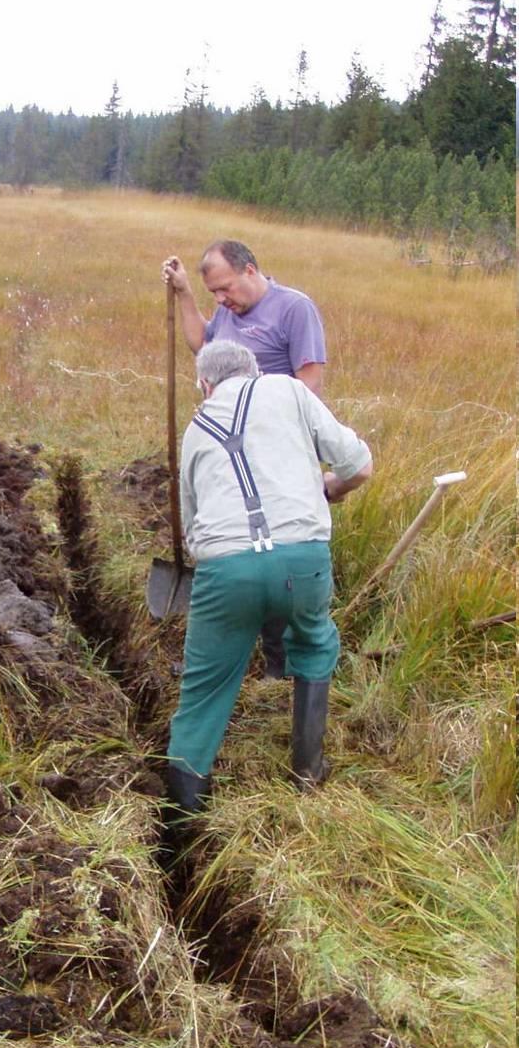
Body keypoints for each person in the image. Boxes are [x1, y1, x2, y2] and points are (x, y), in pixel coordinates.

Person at [163, 339, 372, 821]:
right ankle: (307, 773)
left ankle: (183, 822)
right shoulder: (288, 390)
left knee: (204, 688)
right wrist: (331, 489)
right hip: (303, 560)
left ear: (205, 386)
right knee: (315, 644)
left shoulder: (196, 427)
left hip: (226, 570)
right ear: (253, 372)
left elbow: (194, 532)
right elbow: (360, 466)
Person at [161, 239, 328, 676]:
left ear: (251, 270)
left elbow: (308, 385)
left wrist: (259, 419)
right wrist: (183, 293)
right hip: (228, 453)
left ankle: (282, 666)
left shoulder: (294, 309)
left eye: (225, 289)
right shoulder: (228, 313)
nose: (222, 300)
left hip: (274, 459)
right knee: (232, 543)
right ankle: (221, 651)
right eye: (214, 293)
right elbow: (203, 345)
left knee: (274, 549)